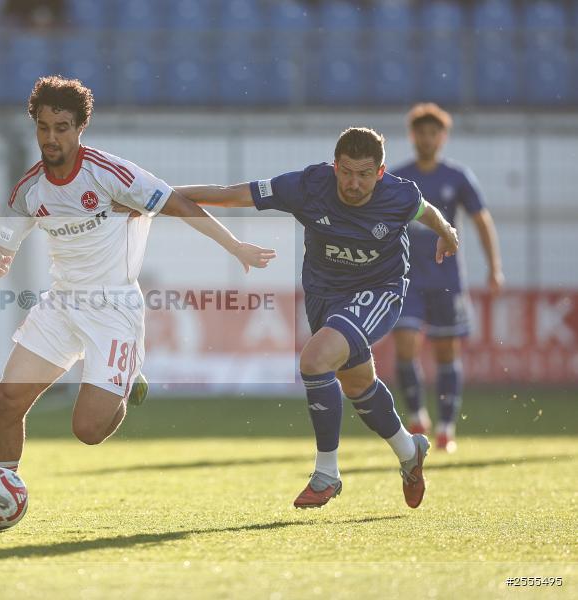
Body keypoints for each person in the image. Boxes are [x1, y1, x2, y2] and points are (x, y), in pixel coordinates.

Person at [124, 128, 459, 509]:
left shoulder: (399, 194)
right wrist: (161, 196)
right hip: (324, 297)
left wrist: (447, 232)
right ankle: (409, 451)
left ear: (380, 173)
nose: (353, 183)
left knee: (315, 361)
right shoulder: (307, 185)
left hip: (379, 291)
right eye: (346, 172)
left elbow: (425, 210)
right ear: (335, 166)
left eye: (364, 174)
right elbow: (231, 194)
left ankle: (327, 473)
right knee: (357, 384)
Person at [0, 75, 275, 474]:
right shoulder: (28, 189)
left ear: (81, 127)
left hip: (114, 309)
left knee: (87, 430)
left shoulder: (109, 173)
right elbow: (8, 238)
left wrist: (235, 245)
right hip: (62, 303)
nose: (51, 138)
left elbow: (178, 203)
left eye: (61, 128)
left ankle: (126, 381)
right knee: (6, 399)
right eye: (43, 127)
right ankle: (2, 485)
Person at [390, 103, 503, 454]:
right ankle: (416, 417)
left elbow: (481, 220)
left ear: (442, 138)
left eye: (433, 133)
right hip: (407, 278)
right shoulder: (398, 179)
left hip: (446, 278)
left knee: (445, 351)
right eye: (421, 133)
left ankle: (445, 428)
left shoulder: (457, 177)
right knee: (405, 343)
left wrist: (494, 267)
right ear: (412, 136)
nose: (427, 139)